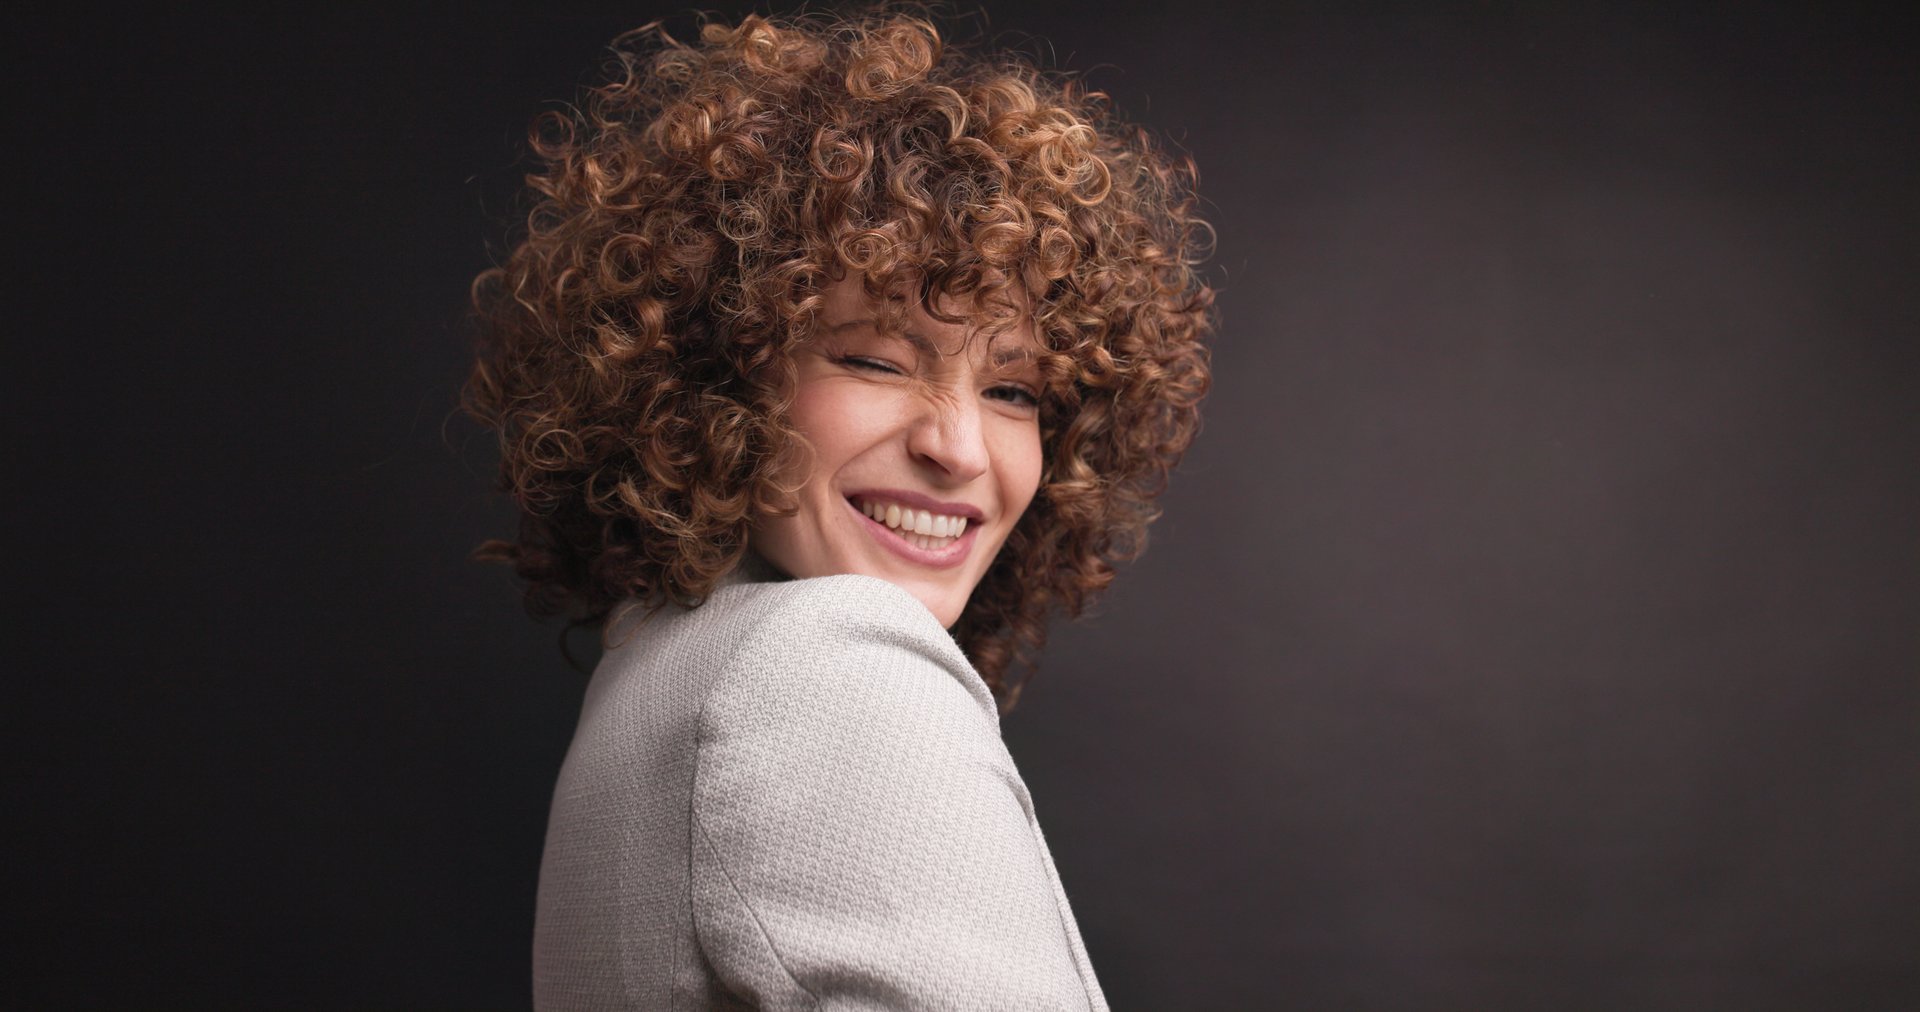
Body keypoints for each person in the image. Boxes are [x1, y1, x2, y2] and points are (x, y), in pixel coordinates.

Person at [463, 8, 1214, 1009]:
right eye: (874, 358)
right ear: (714, 369)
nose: (957, 446)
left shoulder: (666, 669)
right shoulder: (822, 677)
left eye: (1014, 389)